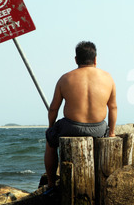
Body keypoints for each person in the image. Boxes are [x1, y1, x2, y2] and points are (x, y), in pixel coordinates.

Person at [44, 41, 117, 189]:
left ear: (76, 59)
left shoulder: (65, 78)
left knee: (50, 143)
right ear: (95, 59)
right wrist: (112, 132)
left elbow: (53, 109)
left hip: (71, 127)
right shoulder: (108, 77)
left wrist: (51, 128)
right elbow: (113, 107)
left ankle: (51, 184)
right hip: (98, 128)